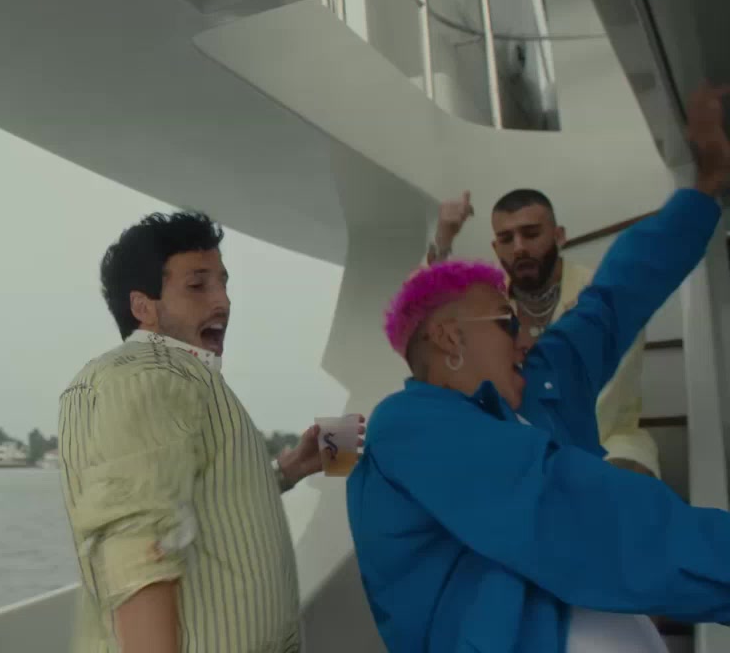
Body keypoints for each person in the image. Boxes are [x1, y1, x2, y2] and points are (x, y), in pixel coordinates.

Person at [347, 82, 730, 652]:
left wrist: (707, 187)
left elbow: (616, 295)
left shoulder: (545, 381)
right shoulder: (407, 427)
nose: (526, 336)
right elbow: (577, 513)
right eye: (507, 322)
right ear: (450, 339)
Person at [58, 211, 361, 653]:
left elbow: (198, 494)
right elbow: (138, 551)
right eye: (198, 286)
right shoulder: (145, 376)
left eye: (223, 283)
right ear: (143, 307)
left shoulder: (187, 379)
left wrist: (290, 468)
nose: (223, 302)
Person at [427, 189, 658, 476]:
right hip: (515, 444)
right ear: (496, 248)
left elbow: (608, 399)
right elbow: (427, 317)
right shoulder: (488, 304)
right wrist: (443, 240)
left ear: (559, 236)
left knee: (620, 483)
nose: (519, 248)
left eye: (531, 234)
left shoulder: (602, 296)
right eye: (506, 239)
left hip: (607, 440)